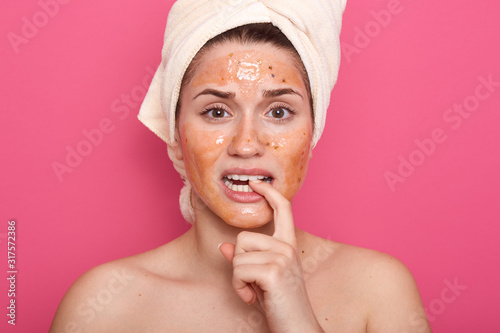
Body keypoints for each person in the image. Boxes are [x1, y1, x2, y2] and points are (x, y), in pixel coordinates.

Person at [50, 1, 431, 332]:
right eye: (216, 112)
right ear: (176, 139)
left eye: (279, 112)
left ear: (310, 138)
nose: (246, 144)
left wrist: (299, 323)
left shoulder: (380, 291)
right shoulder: (103, 306)